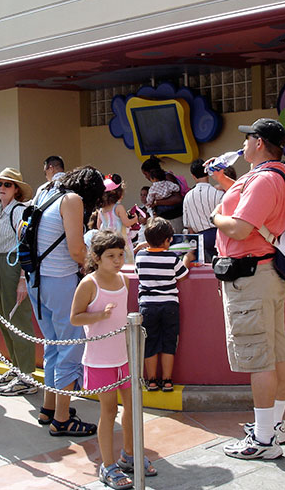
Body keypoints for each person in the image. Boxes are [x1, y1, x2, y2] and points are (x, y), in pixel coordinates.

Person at [210, 118, 285, 460]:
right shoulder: (277, 176)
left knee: (258, 356)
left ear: (259, 142)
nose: (242, 144)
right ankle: (274, 425)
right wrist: (226, 184)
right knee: (276, 351)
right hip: (267, 273)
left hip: (252, 277)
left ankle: (263, 439)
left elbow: (242, 229)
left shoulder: (263, 181)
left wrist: (215, 216)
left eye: (248, 138)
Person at [70, 231, 157, 489]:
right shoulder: (88, 283)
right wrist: (98, 316)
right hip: (100, 360)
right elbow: (75, 317)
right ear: (96, 258)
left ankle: (129, 454)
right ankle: (107, 465)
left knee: (132, 407)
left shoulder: (123, 280)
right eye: (111, 256)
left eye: (120, 255)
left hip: (124, 357)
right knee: (108, 411)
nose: (118, 260)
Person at [27, 165, 104, 436]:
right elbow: (75, 250)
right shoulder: (73, 200)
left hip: (37, 280)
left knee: (54, 346)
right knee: (70, 348)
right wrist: (97, 266)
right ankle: (62, 419)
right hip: (59, 281)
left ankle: (49, 407)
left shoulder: (49, 193)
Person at [0, 167, 38, 397]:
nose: (2, 188)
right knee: (6, 318)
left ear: (16, 190)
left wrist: (23, 278)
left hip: (13, 265)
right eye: (0, 184)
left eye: (8, 185)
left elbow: (26, 245)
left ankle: (27, 375)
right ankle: (17, 368)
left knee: (17, 318)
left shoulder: (19, 212)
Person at [134, 217, 194, 392]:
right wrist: (188, 259)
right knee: (168, 342)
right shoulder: (171, 257)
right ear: (168, 240)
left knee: (150, 342)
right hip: (169, 305)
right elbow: (182, 275)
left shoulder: (141, 256)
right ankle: (167, 380)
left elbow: (138, 273)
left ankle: (152, 380)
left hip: (147, 306)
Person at [183, 158, 223, 262]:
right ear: (208, 173)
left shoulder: (187, 197)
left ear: (193, 176)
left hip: (201, 240)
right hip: (221, 236)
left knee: (206, 273)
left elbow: (188, 226)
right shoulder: (218, 193)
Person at [96, 174, 137, 264]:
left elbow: (99, 226)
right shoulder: (118, 208)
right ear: (118, 193)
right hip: (122, 242)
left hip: (108, 242)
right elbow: (127, 223)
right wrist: (135, 219)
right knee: (126, 262)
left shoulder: (101, 210)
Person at [141, 156, 186, 233]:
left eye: (146, 174)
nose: (146, 177)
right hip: (164, 218)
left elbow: (178, 198)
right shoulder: (155, 184)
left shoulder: (167, 177)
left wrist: (156, 203)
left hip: (174, 218)